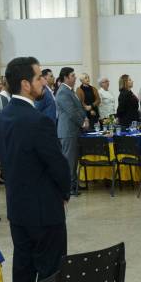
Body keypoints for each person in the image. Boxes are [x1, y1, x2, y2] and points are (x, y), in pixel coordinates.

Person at [0, 56, 85, 282]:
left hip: (18, 209)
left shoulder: (3, 118)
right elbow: (57, 164)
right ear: (25, 84)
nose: (44, 82)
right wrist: (64, 192)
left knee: (23, 273)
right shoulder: (37, 120)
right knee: (51, 277)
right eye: (38, 77)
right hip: (45, 211)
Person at [55, 67, 88, 196]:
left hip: (73, 130)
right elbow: (71, 111)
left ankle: (74, 185)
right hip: (68, 131)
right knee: (69, 161)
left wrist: (85, 118)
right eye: (73, 75)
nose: (75, 78)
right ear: (66, 77)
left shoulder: (70, 91)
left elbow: (78, 108)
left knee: (73, 161)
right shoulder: (63, 92)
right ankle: (68, 188)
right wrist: (83, 122)